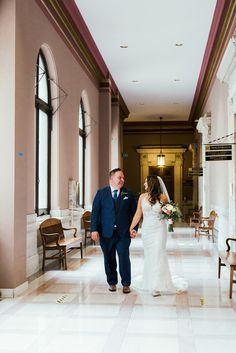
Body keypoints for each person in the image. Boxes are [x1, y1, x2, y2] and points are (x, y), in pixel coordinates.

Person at [129, 175, 188, 296]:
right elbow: (138, 214)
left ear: (151, 184)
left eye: (146, 182)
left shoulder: (163, 197)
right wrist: (131, 227)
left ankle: (156, 286)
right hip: (147, 230)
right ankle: (150, 281)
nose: (144, 184)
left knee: (158, 253)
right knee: (150, 255)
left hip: (159, 229)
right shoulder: (142, 197)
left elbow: (169, 214)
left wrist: (171, 214)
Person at [91, 168, 138, 294]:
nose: (122, 180)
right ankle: (112, 282)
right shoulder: (101, 193)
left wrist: (134, 229)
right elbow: (95, 212)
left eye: (123, 177)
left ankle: (126, 284)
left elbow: (135, 213)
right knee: (109, 258)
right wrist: (94, 229)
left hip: (123, 233)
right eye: (119, 177)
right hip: (106, 233)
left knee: (124, 258)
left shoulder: (129, 194)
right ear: (111, 179)